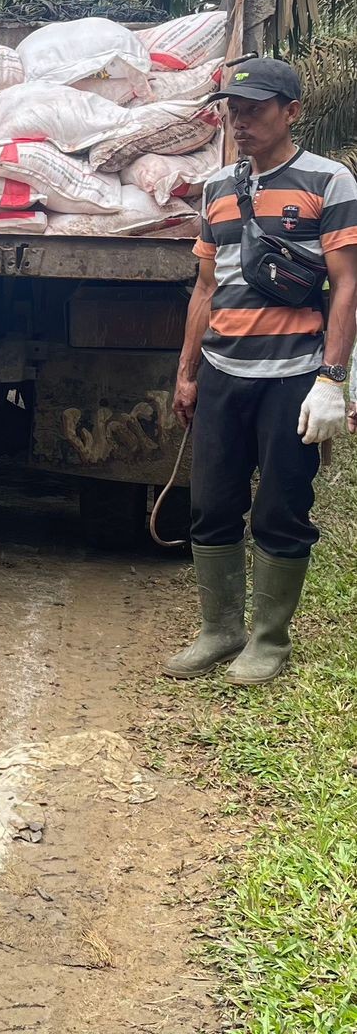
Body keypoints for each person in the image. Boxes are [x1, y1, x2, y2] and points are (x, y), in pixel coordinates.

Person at [166, 57, 357, 686]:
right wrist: (188, 373)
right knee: (213, 505)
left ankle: (269, 641)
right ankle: (220, 631)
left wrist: (333, 377)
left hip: (294, 375)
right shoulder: (217, 188)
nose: (240, 122)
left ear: (291, 111)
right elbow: (203, 288)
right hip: (224, 370)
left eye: (255, 109)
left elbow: (347, 284)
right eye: (233, 110)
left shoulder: (330, 183)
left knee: (280, 508)